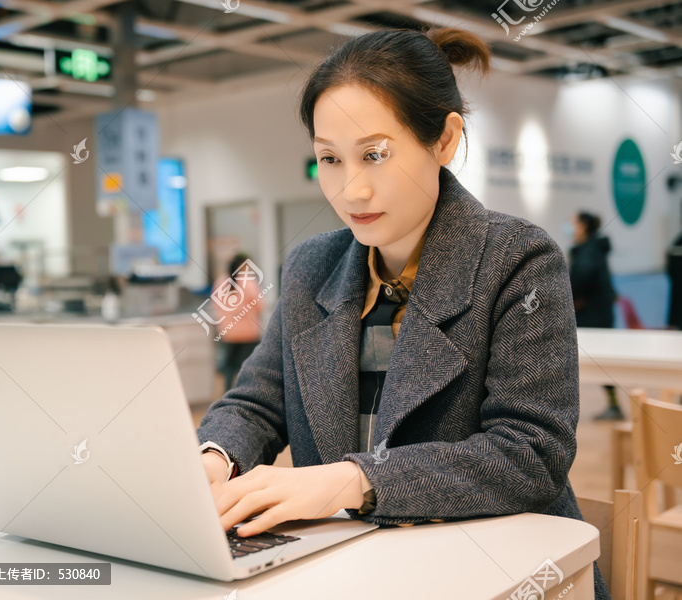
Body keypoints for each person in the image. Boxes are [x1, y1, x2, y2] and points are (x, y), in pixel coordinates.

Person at [196, 26, 610, 599]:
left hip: (497, 572)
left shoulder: (518, 260)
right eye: (329, 160)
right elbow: (258, 403)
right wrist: (214, 460)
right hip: (353, 571)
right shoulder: (311, 266)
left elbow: (531, 453)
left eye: (375, 154)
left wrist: (355, 480)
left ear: (443, 140)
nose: (352, 191)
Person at [568, 211, 621, 420]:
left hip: (592, 316)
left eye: (573, 223)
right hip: (599, 313)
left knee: (602, 365)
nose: (571, 227)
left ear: (583, 226)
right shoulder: (593, 249)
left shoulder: (588, 251)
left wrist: (570, 295)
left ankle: (614, 406)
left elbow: (580, 279)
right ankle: (614, 405)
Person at [211, 253, 265, 391]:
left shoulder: (220, 282)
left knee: (229, 368)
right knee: (247, 368)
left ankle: (227, 394)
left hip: (228, 333)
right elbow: (260, 306)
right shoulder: (249, 282)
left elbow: (215, 305)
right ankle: (245, 395)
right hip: (249, 334)